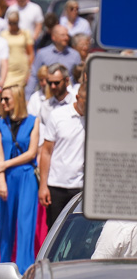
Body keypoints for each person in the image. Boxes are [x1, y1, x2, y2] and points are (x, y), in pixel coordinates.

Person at [0, 84, 40, 274]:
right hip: (6, 177)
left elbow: (32, 153)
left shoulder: (33, 121)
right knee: (5, 224)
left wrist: (5, 164)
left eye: (7, 99)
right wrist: (1, 177)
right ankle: (3, 271)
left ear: (17, 99)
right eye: (1, 99)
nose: (3, 102)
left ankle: (24, 270)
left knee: (26, 223)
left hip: (26, 175)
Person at [39, 81, 86, 228]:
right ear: (78, 97)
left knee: (79, 235)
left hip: (81, 187)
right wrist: (43, 186)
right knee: (54, 233)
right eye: (86, 101)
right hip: (57, 186)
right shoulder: (58, 115)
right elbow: (46, 152)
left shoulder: (97, 119)